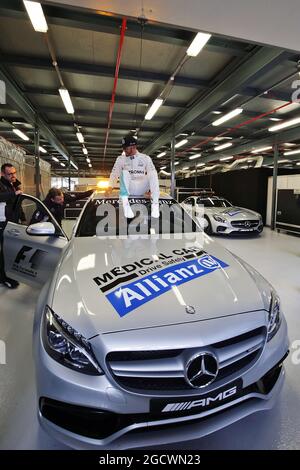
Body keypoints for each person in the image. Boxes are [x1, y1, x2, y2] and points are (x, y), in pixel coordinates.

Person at [109, 135, 160, 218]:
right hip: (129, 188)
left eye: (126, 148)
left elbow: (152, 176)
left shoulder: (145, 158)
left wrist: (151, 189)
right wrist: (110, 187)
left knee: (153, 173)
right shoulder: (120, 159)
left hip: (142, 188)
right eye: (124, 148)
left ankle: (155, 205)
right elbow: (114, 173)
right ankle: (126, 206)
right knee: (124, 173)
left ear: (133, 147)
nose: (124, 150)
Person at [0, 163, 23, 289]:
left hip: (13, 223)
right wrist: (14, 193)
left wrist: (23, 217)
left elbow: (17, 204)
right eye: (10, 174)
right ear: (2, 174)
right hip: (2, 224)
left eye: (14, 173)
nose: (13, 176)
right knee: (4, 252)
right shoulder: (1, 185)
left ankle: (9, 275)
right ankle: (3, 278)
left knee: (10, 251)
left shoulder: (13, 185)